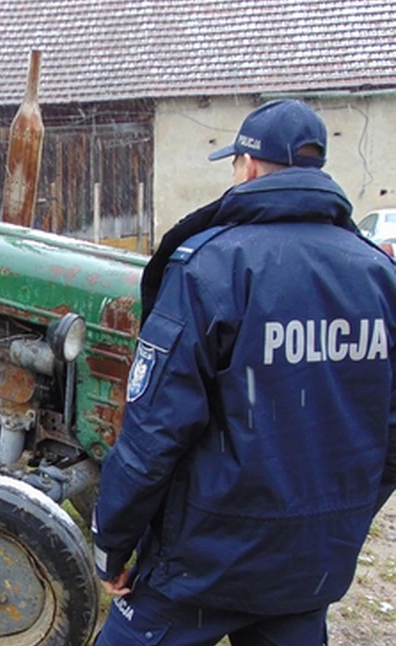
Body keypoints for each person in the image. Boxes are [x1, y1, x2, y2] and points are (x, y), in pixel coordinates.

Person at [91, 99, 396, 645]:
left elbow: (154, 434)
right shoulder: (380, 277)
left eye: (235, 163)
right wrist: (336, 522)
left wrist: (111, 544)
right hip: (310, 567)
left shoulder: (213, 266)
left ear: (250, 167)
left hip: (204, 566)